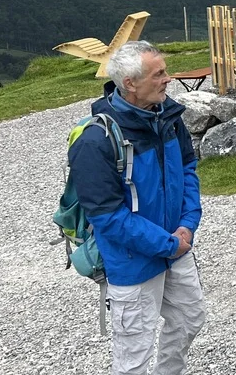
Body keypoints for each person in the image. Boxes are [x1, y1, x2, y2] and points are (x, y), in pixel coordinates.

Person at [68, 41, 206, 375]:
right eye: (158, 74)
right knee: (134, 357)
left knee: (189, 318)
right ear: (130, 83)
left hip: (176, 245)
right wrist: (168, 243)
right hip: (132, 262)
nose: (168, 79)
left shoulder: (168, 117)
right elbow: (107, 217)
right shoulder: (95, 141)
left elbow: (187, 168)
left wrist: (187, 224)